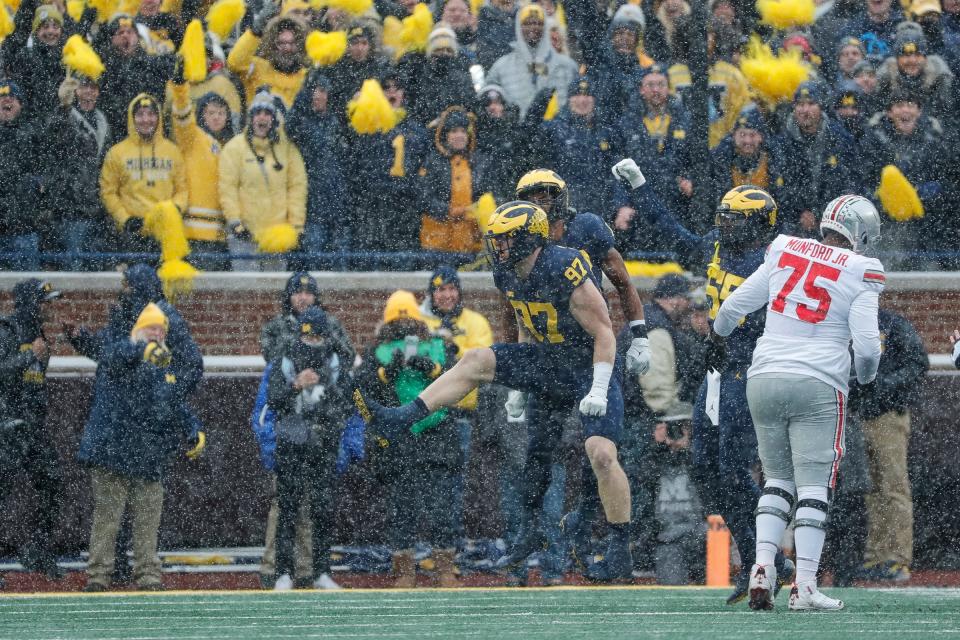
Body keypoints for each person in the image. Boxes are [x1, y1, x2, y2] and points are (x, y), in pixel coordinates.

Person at [354, 201, 636, 582]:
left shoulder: (564, 264)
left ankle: (620, 546)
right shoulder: (507, 271)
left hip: (590, 363)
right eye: (496, 240)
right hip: (547, 359)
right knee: (476, 361)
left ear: (529, 238)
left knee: (600, 454)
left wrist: (600, 387)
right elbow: (526, 318)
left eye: (505, 240)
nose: (498, 248)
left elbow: (604, 331)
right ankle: (401, 418)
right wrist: (519, 378)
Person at [613, 158, 794, 604]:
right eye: (724, 218)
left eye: (734, 220)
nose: (724, 226)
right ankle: (764, 558)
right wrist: (642, 188)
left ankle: (763, 559)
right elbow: (675, 234)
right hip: (717, 371)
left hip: (748, 367)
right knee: (705, 466)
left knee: (732, 468)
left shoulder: (770, 260)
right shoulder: (719, 245)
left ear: (757, 225)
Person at [713, 194, 885, 611]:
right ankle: (804, 585)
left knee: (776, 480)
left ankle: (761, 568)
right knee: (813, 486)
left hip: (764, 376)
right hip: (817, 382)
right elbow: (865, 348)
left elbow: (733, 307)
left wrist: (716, 336)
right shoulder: (863, 269)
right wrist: (864, 379)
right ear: (860, 233)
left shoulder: (784, 245)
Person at [512, 167, 650, 579]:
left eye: (546, 194)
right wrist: (520, 370)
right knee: (538, 447)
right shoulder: (517, 238)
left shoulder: (585, 226)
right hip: (549, 357)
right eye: (532, 196)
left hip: (593, 350)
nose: (540, 202)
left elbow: (621, 280)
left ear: (560, 196)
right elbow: (517, 309)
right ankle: (531, 529)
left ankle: (597, 530)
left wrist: (639, 330)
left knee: (600, 448)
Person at [78, 303, 206, 591]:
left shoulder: (162, 365)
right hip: (112, 450)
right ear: (139, 329)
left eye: (161, 330)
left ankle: (148, 574)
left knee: (148, 521)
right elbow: (114, 356)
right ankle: (98, 575)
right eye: (152, 328)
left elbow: (170, 401)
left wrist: (193, 427)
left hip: (146, 453)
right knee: (108, 518)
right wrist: (141, 351)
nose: (157, 333)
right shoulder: (120, 351)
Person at [354, 290, 462, 588]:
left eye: (408, 320)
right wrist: (385, 373)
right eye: (396, 321)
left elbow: (461, 380)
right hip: (400, 439)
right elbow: (360, 392)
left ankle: (444, 569)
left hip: (437, 433)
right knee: (402, 508)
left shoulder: (440, 345)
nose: (402, 326)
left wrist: (433, 369)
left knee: (442, 506)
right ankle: (403, 570)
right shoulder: (376, 349)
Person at [268, 307, 351, 590]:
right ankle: (283, 571)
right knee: (287, 508)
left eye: (318, 338)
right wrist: (295, 386)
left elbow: (350, 401)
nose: (312, 342)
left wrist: (329, 401)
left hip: (324, 443)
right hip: (292, 442)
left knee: (323, 509)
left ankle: (321, 571)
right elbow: (273, 401)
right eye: (308, 337)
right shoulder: (285, 358)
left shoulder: (337, 360)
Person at [851, 309, 928, 582]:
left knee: (893, 487)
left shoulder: (893, 324)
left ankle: (897, 558)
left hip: (887, 415)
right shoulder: (852, 322)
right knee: (872, 490)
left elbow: (918, 363)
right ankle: (877, 557)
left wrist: (881, 386)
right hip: (859, 416)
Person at [0, 280, 64, 582]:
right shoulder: (6, 330)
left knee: (53, 483)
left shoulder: (40, 335)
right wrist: (29, 355)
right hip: (6, 426)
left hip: (32, 428)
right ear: (31, 304)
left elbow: (36, 382)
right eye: (46, 302)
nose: (51, 307)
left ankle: (37, 548)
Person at [219, 89, 307, 270]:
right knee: (246, 293)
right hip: (244, 235)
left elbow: (297, 187)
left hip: (276, 236)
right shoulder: (234, 148)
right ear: (250, 118)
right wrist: (235, 221)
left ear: (274, 119)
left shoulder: (288, 149)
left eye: (267, 113)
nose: (262, 118)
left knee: (275, 291)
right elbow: (227, 188)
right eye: (257, 113)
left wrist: (296, 226)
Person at [99, 93, 188, 258]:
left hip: (166, 233)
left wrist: (175, 209)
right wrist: (125, 219)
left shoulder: (172, 151)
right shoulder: (116, 153)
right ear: (132, 118)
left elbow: (182, 189)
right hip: (131, 235)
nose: (146, 120)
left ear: (159, 117)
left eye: (151, 114)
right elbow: (108, 192)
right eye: (140, 114)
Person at [226, 1, 309, 107]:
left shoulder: (307, 78)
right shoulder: (257, 69)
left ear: (300, 45)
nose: (287, 48)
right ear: (272, 45)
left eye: (292, 43)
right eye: (281, 43)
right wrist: (256, 30)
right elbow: (234, 63)